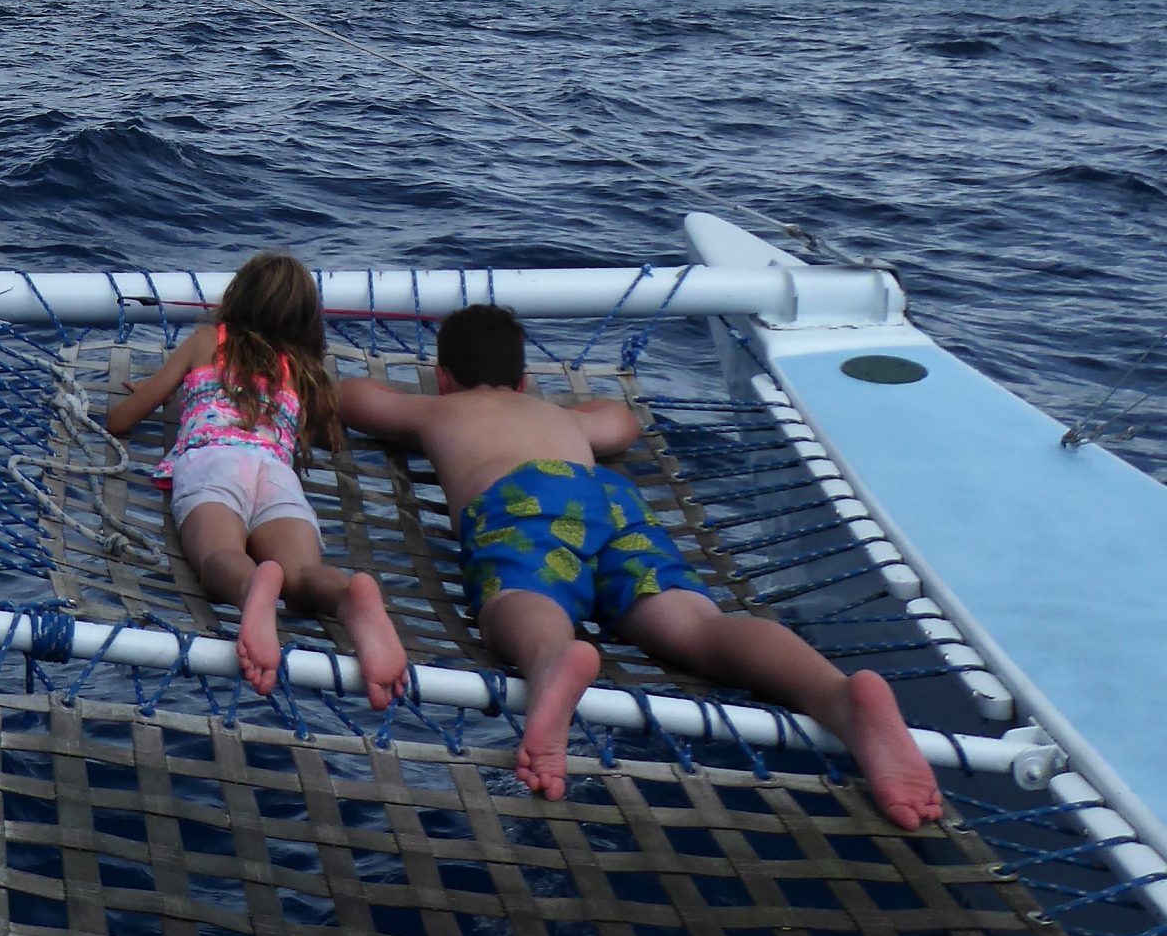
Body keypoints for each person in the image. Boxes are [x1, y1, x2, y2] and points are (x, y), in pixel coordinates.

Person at [337, 304, 943, 827]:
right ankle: (836, 695)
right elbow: (620, 421)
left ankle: (553, 657)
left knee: (520, 598)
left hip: (521, 503)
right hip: (609, 499)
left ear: (445, 378)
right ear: (523, 382)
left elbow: (355, 400)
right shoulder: (565, 419)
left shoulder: (443, 411)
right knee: (694, 624)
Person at [105, 251, 408, 708]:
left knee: (219, 557)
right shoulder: (304, 374)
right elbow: (327, 432)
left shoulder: (208, 340)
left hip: (213, 463)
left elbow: (121, 421)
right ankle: (349, 597)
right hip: (276, 473)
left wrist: (164, 392)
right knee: (303, 576)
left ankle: (253, 590)